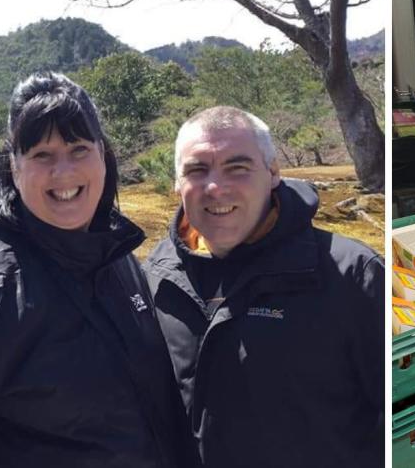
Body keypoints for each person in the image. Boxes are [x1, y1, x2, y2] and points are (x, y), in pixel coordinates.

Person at [0, 73, 196, 468]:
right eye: (41, 155)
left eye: (78, 149)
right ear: (13, 166)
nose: (63, 173)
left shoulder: (117, 257)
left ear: (103, 154)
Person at [144, 106, 383, 467]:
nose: (215, 187)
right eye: (197, 170)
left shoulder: (351, 275)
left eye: (237, 168)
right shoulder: (153, 280)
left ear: (273, 172)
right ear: (177, 182)